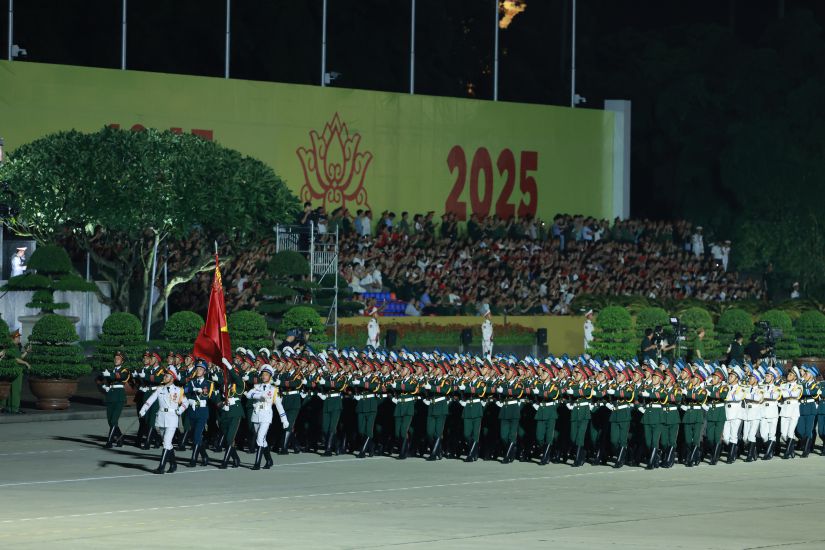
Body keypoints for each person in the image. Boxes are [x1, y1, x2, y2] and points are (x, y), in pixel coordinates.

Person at [139, 366, 186, 474]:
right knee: (167, 443)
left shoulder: (178, 390)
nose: (164, 377)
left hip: (172, 418)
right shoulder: (160, 389)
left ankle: (161, 467)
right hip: (161, 417)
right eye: (165, 375)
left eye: (167, 376)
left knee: (166, 442)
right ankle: (173, 464)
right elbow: (150, 400)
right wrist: (143, 410)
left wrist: (179, 411)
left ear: (172, 378)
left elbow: (185, 403)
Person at [245, 364, 289, 470]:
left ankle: (257, 463)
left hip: (266, 415)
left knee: (260, 438)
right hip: (256, 414)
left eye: (266, 374)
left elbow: (279, 405)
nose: (264, 376)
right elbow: (248, 395)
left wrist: (284, 419)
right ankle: (269, 460)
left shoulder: (274, 390)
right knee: (262, 440)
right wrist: (259, 395)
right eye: (263, 374)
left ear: (270, 376)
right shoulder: (257, 387)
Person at [183, 358, 213, 466]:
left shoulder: (208, 383)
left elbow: (207, 395)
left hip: (202, 412)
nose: (199, 370)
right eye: (197, 368)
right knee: (195, 436)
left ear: (205, 371)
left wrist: (200, 391)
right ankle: (205, 456)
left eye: (201, 369)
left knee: (196, 435)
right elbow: (184, 390)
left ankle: (193, 460)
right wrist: (192, 389)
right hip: (192, 411)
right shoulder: (192, 382)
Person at [100, 351, 130, 448]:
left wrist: (110, 375)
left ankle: (109, 441)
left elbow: (121, 377)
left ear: (122, 361)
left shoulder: (125, 370)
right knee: (110, 421)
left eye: (118, 358)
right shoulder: (111, 370)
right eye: (115, 358)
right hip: (110, 397)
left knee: (114, 420)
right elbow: (106, 380)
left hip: (119, 397)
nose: (116, 360)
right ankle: (120, 438)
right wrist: (105, 386)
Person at [1, 330, 29, 415]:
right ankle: (15, 408)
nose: (19, 339)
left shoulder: (14, 347)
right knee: (16, 389)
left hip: (13, 370)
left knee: (10, 389)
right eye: (17, 337)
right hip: (16, 370)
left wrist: (26, 352)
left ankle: (8, 407)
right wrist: (25, 363)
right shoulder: (12, 347)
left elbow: (19, 356)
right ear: (13, 338)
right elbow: (16, 359)